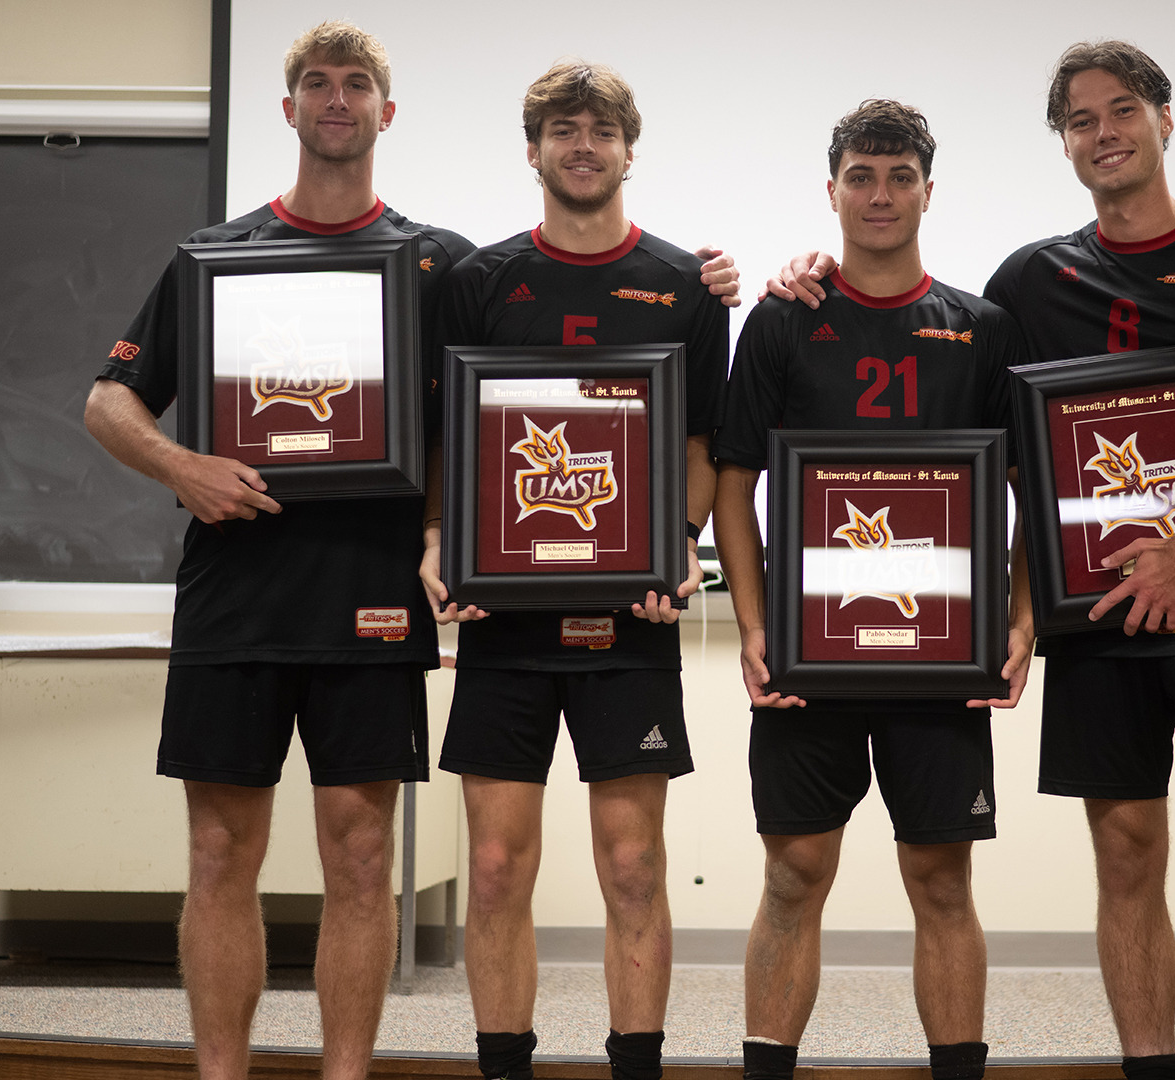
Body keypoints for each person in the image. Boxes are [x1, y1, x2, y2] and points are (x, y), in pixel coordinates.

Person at [768, 40, 1175, 1080]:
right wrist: (807, 270)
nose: (1103, 132)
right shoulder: (1030, 284)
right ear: (1065, 144)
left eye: (1121, 110)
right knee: (1127, 856)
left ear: (1166, 120)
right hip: (1099, 627)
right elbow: (994, 452)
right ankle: (1150, 1067)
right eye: (1080, 121)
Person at [84, 22, 472, 1080]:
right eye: (317, 83)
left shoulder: (441, 263)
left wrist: (707, 283)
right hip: (234, 600)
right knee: (219, 857)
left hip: (375, 600)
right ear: (290, 107)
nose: (336, 99)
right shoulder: (214, 258)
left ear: (386, 114)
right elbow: (107, 400)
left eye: (357, 86)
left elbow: (543, 364)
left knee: (358, 860)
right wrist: (180, 466)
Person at [417, 59, 733, 1080]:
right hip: (504, 621)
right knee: (499, 868)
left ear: (628, 150)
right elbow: (449, 436)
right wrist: (440, 542)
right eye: (563, 128)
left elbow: (702, 446)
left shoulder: (688, 286)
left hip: (627, 618)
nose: (582, 144)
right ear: (534, 150)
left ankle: (633, 1065)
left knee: (634, 865)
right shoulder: (482, 280)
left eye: (601, 128)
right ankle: (503, 1065)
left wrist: (680, 542)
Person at [713, 100, 1031, 1080]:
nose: (881, 195)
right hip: (811, 656)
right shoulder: (780, 319)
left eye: (900, 176)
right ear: (833, 190)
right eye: (862, 175)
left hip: (940, 660)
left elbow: (1027, 491)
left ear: (930, 190)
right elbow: (735, 483)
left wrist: (1019, 623)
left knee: (940, 879)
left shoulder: (981, 329)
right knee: (792, 874)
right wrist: (755, 627)